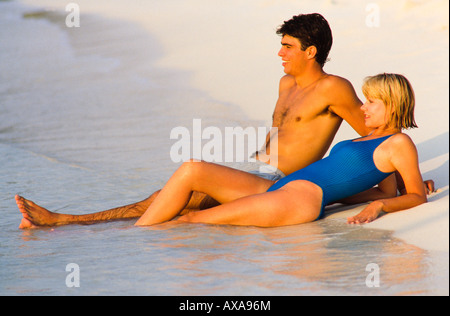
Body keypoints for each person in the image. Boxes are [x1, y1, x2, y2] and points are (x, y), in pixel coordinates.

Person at [15, 14, 432, 229]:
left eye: (287, 46)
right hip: (259, 168)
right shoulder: (285, 82)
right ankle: (69, 224)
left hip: (284, 180)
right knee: (165, 196)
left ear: (311, 51)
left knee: (172, 202)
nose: (280, 53)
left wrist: (399, 187)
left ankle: (65, 223)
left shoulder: (336, 88)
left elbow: (372, 140)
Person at [132, 73, 427, 227]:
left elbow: (415, 196)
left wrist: (381, 206)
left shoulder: (398, 144)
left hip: (299, 200)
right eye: (364, 100)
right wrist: (381, 195)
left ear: (393, 104)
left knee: (190, 221)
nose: (362, 107)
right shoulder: (369, 140)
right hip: (275, 187)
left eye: (371, 102)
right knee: (192, 169)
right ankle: (135, 234)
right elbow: (382, 188)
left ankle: (140, 249)